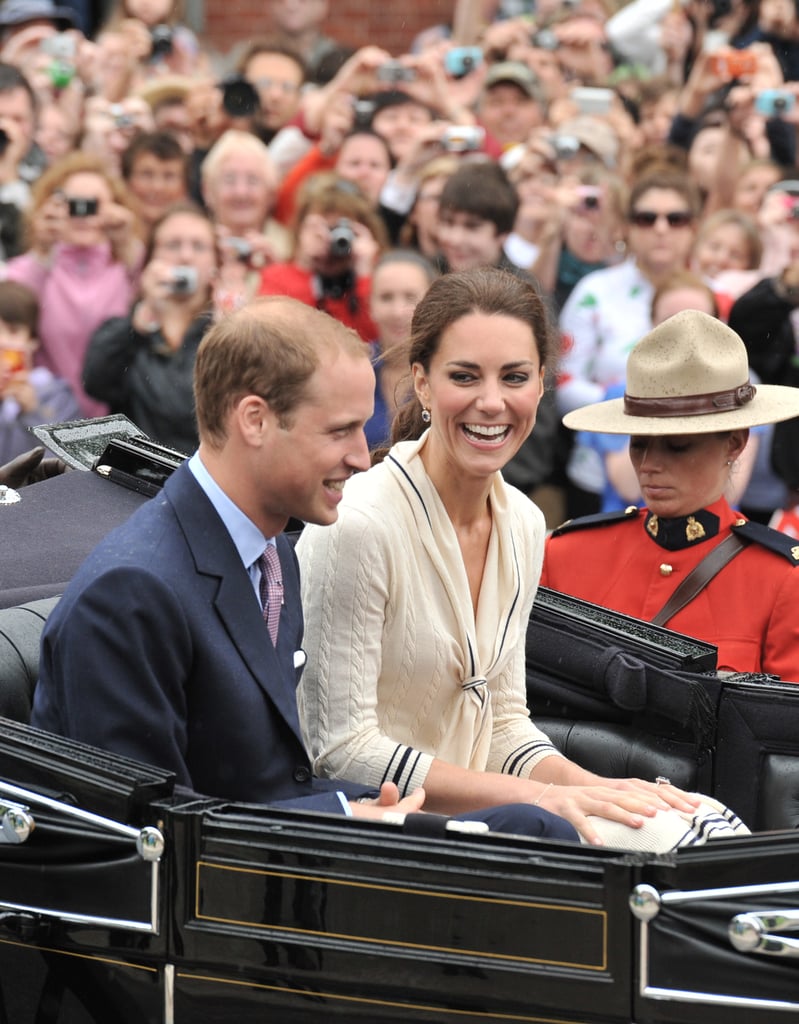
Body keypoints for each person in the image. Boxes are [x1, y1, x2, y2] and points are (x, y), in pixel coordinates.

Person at [31, 294, 577, 839]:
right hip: (219, 895)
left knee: (532, 826)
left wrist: (361, 806)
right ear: (255, 420)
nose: (363, 457)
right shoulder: (132, 593)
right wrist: (344, 815)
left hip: (272, 854)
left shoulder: (271, 558)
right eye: (339, 431)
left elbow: (268, 782)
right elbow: (143, 833)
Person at [296, 267, 705, 848]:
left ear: (542, 384)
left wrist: (606, 792)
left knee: (687, 826)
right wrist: (540, 800)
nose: (492, 403)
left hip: (489, 829)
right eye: (464, 376)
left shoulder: (525, 522)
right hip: (376, 843)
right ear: (421, 382)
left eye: (514, 377)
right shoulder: (358, 524)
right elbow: (341, 750)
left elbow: (505, 725)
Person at [541, 309, 799, 682]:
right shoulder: (567, 554)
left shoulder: (779, 580)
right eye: (639, 443)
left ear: (735, 442)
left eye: (677, 446)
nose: (648, 465)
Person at [83, 202, 218, 454]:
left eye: (198, 246)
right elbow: (94, 382)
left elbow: (186, 408)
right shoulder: (128, 331)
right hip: (134, 475)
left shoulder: (226, 335)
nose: (185, 256)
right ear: (151, 258)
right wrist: (139, 323)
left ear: (215, 263)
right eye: (173, 245)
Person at [0, 278, 79, 464]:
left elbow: (62, 466)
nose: (1, 341)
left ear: (32, 340)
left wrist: (32, 413)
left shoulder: (57, 396)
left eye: (13, 331)